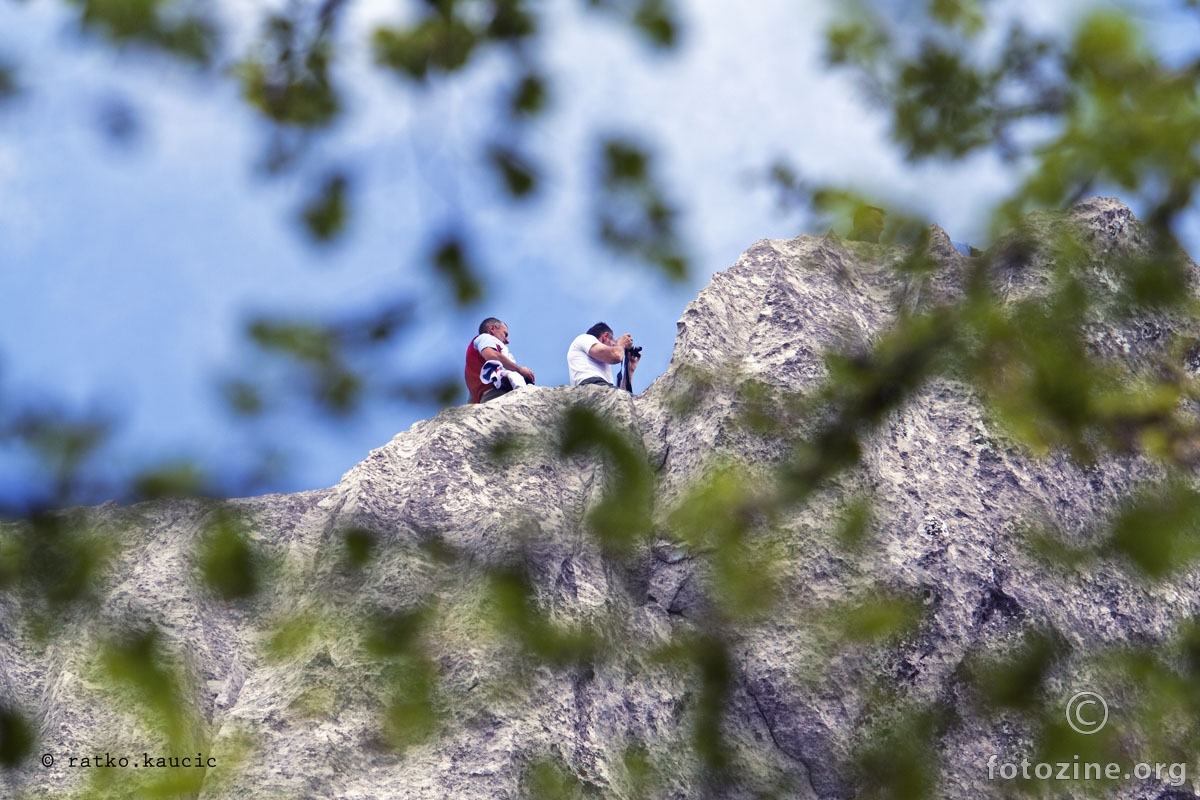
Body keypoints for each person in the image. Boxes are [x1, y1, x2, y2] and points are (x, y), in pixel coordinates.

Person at [465, 317, 536, 404]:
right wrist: (520, 370)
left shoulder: (473, 368)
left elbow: (470, 400)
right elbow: (492, 356)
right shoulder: (484, 338)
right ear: (492, 329)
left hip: (484, 400)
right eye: (505, 334)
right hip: (497, 393)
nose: (507, 341)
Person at [567, 321, 640, 391]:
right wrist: (621, 344)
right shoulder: (585, 338)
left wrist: (629, 369)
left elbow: (622, 397)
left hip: (601, 390)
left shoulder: (600, 365)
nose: (614, 347)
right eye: (613, 345)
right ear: (605, 336)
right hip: (592, 385)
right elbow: (617, 355)